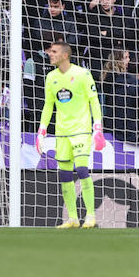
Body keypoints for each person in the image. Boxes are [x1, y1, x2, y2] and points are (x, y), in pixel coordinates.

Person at [36, 40, 105, 228]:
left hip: (81, 130)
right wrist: (42, 131)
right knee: (65, 175)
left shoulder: (82, 74)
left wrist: (97, 127)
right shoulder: (51, 77)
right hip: (61, 133)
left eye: (54, 51)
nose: (50, 54)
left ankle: (90, 215)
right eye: (50, 51)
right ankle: (72, 218)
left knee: (82, 170)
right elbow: (48, 105)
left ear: (65, 55)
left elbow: (94, 101)